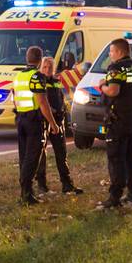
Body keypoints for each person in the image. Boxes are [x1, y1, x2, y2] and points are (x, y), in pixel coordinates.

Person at [97, 39, 132, 208]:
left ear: (119, 52)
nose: (110, 55)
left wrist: (102, 86)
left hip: (119, 119)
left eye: (111, 52)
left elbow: (113, 90)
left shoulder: (116, 68)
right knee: (131, 156)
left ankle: (115, 197)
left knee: (116, 157)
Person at [12, 46, 60, 205]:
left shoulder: (19, 76)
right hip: (33, 121)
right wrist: (53, 123)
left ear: (27, 58)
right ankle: (26, 194)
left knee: (24, 156)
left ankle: (27, 192)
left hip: (20, 119)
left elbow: (14, 97)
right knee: (33, 158)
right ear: (40, 61)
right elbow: (42, 102)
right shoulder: (36, 76)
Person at [34, 57, 83, 195]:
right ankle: (41, 185)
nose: (47, 70)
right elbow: (42, 102)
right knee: (41, 154)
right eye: (45, 67)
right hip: (44, 121)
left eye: (50, 67)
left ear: (54, 69)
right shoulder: (38, 80)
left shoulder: (56, 81)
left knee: (61, 153)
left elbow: (60, 99)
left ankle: (67, 185)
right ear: (40, 68)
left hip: (58, 121)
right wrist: (52, 117)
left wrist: (62, 112)